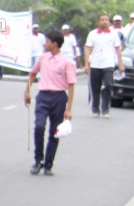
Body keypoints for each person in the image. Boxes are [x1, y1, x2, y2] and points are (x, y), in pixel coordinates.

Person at [24, 31, 76, 176]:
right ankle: (38, 160)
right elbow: (33, 73)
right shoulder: (43, 58)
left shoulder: (66, 62)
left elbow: (71, 85)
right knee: (39, 127)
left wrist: (69, 109)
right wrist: (27, 91)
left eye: (47, 41)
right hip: (43, 96)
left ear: (55, 43)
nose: (45, 44)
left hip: (59, 97)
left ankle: (48, 164)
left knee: (55, 132)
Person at [84, 14, 123, 118]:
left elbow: (118, 50)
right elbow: (88, 49)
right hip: (95, 64)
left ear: (109, 22)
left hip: (108, 64)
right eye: (102, 20)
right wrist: (86, 64)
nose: (104, 22)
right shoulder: (92, 34)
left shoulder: (114, 35)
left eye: (106, 20)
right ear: (98, 22)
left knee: (108, 85)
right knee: (95, 88)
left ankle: (106, 109)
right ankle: (95, 109)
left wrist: (120, 64)